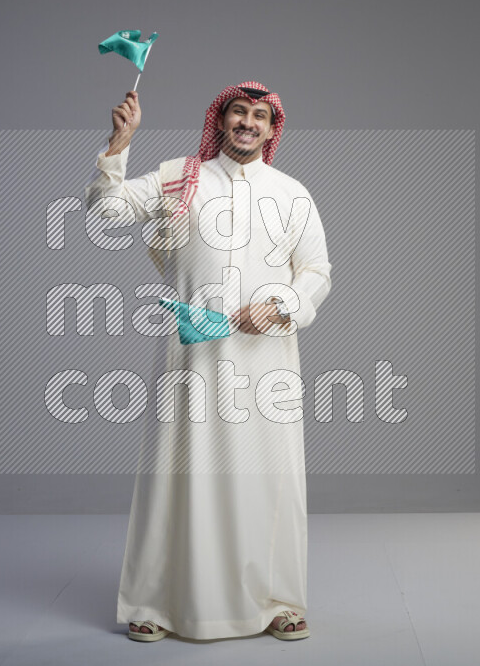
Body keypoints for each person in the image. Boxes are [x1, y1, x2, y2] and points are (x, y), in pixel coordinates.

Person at [84, 81, 332, 642]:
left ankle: (278, 600)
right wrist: (120, 143)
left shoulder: (292, 193)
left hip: (266, 359)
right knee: (179, 475)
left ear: (272, 129)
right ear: (220, 120)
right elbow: (107, 211)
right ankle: (157, 603)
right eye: (238, 112)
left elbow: (317, 272)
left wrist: (280, 305)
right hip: (190, 357)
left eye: (260, 116)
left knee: (267, 477)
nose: (248, 122)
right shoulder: (179, 177)